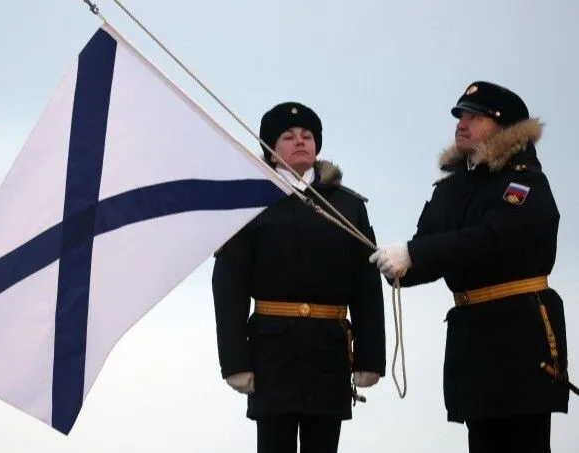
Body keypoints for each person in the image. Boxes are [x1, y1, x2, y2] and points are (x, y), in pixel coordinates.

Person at [369, 81, 570, 453]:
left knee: (524, 442)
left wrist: (413, 253)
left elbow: (492, 237)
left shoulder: (524, 181)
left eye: (475, 117)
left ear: (504, 127)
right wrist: (396, 267)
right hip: (473, 342)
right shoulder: (451, 189)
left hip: (521, 338)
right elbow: (430, 250)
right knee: (482, 443)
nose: (461, 124)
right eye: (461, 116)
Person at [212, 101, 386, 453]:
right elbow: (228, 285)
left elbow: (366, 284)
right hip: (271, 353)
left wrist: (371, 358)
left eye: (307, 136)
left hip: (329, 351)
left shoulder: (347, 207)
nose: (300, 141)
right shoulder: (251, 203)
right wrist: (233, 362)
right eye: (288, 136)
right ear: (270, 149)